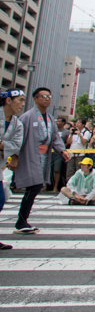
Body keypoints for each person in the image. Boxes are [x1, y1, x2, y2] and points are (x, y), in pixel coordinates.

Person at [14, 87, 71, 233]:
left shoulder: (50, 119)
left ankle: (22, 220)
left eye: (49, 96)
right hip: (30, 154)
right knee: (34, 186)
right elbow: (18, 138)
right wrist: (14, 156)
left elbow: (55, 137)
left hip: (44, 155)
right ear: (35, 99)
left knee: (35, 186)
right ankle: (21, 221)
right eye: (43, 96)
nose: (47, 98)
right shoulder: (27, 117)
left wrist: (62, 150)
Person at [0, 89, 26, 250]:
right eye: (20, 100)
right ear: (8, 101)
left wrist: (2, 145)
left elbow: (16, 145)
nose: (22, 104)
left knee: (0, 200)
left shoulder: (17, 124)